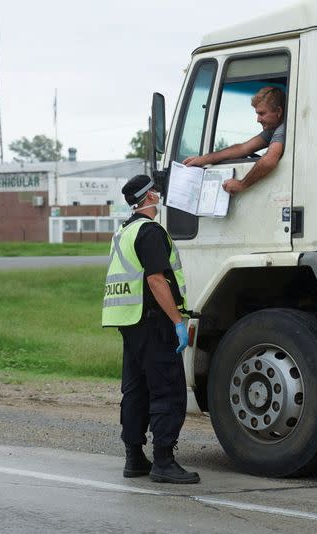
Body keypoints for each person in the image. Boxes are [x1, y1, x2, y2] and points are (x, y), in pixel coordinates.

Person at [102, 174, 200, 484]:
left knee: (135, 390)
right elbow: (156, 280)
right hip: (153, 321)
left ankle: (134, 458)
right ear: (149, 198)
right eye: (155, 191)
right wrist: (176, 322)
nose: (159, 194)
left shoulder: (124, 232)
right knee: (167, 390)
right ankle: (163, 461)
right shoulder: (150, 232)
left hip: (129, 321)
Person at [183, 86, 286, 194]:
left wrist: (242, 184)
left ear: (278, 111)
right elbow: (243, 148)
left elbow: (269, 160)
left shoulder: (283, 128)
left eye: (262, 114)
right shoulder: (273, 129)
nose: (258, 119)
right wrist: (203, 159)